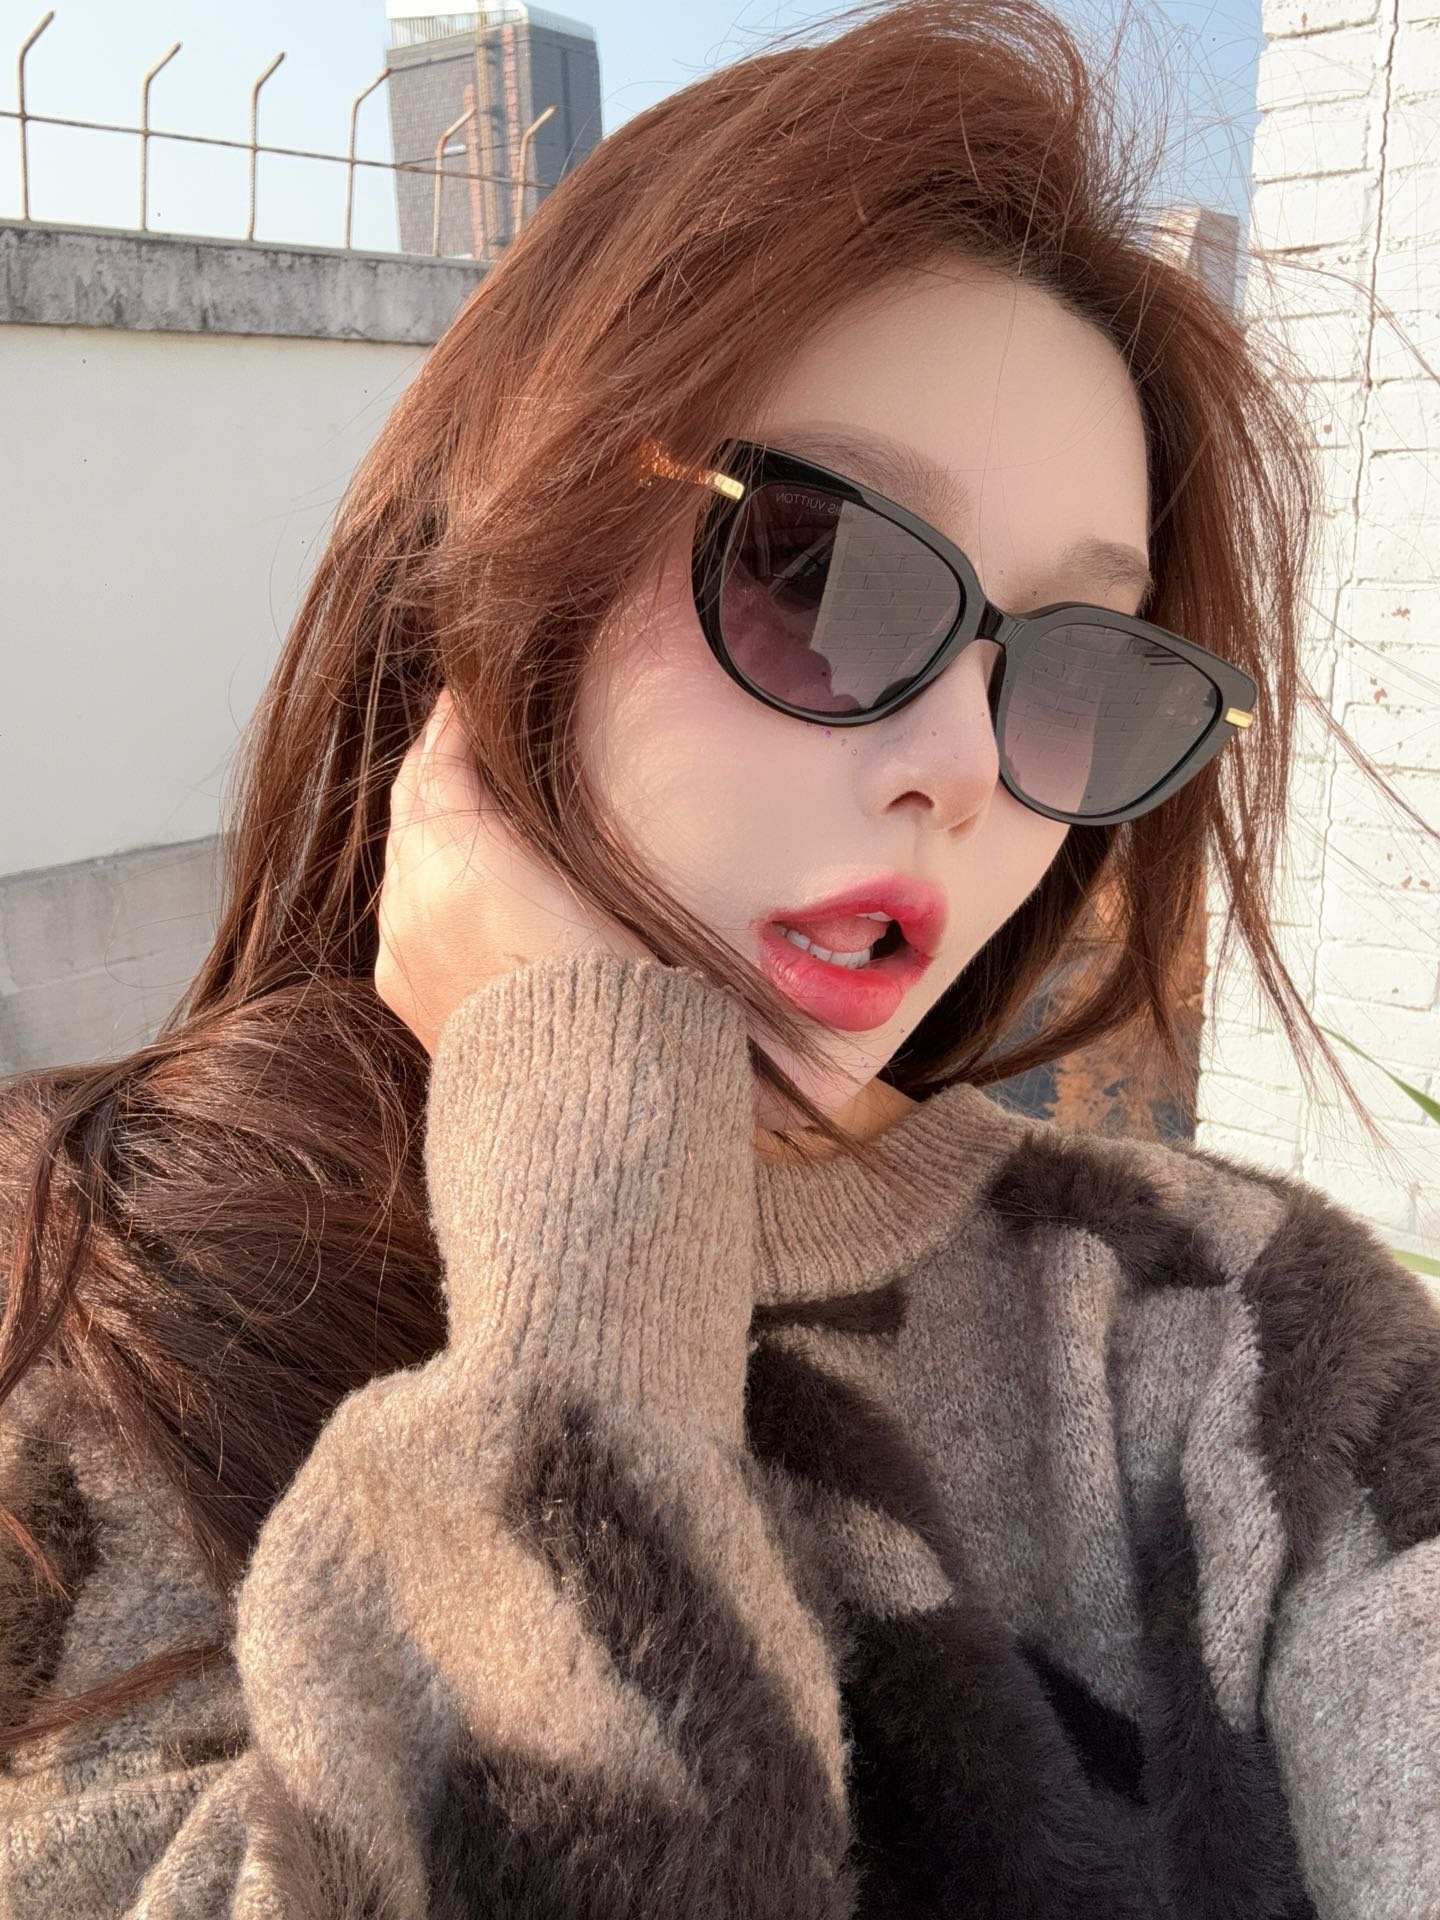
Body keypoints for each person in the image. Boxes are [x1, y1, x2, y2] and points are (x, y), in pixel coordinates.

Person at [1, 0, 1436, 1913]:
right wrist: (594, 1210)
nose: (960, 769)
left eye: (1076, 668)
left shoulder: (1236, 1346)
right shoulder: (102, 1296)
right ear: (514, 557)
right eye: (820, 570)